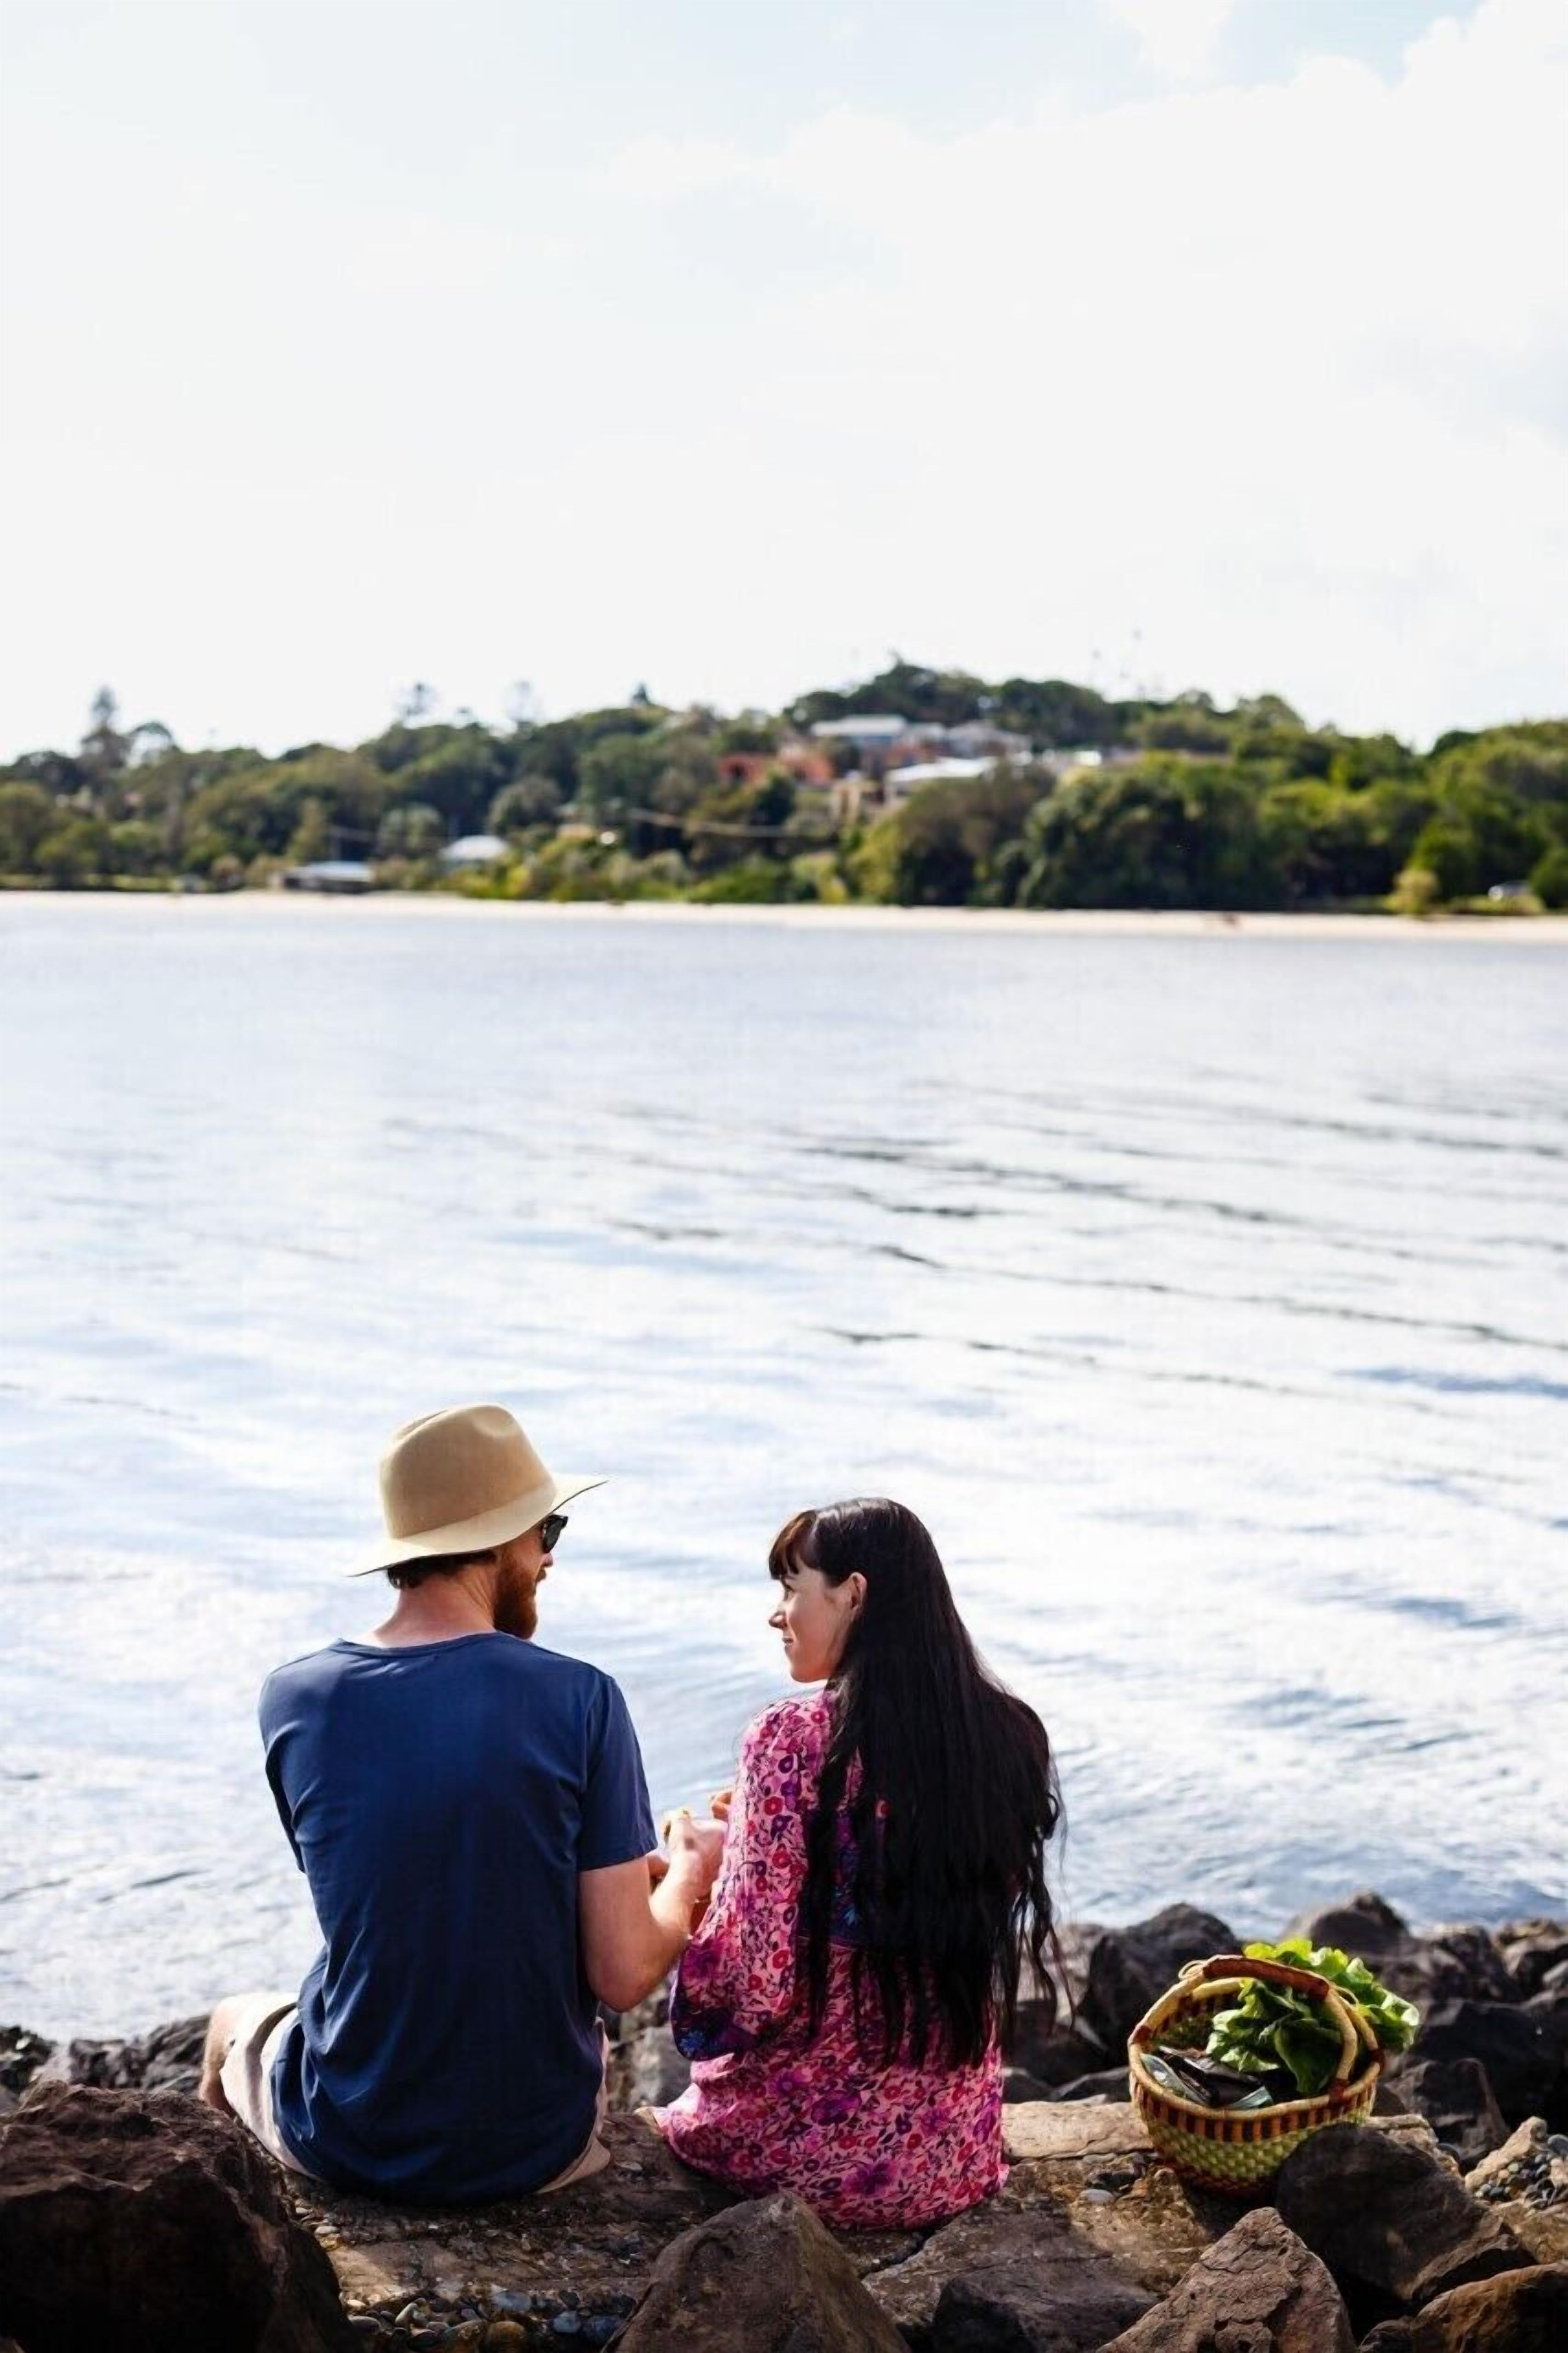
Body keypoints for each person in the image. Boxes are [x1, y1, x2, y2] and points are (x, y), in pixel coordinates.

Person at [199, 1403, 723, 2201]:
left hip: (347, 2131)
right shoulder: (582, 1698)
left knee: (228, 2022)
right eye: (546, 1534)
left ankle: (241, 2231)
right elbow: (620, 1978)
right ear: (500, 1542)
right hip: (535, 2152)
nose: (548, 1560)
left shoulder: (294, 1699)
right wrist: (690, 1872)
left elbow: (391, 1880)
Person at [655, 1498, 1062, 2230]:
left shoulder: (788, 1739)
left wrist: (707, 1867)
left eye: (792, 1588)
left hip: (796, 2155)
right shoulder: (1009, 1737)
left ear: (855, 1593)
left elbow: (750, 1981)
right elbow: (907, 1879)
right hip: (949, 2154)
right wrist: (770, 1832)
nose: (778, 1614)